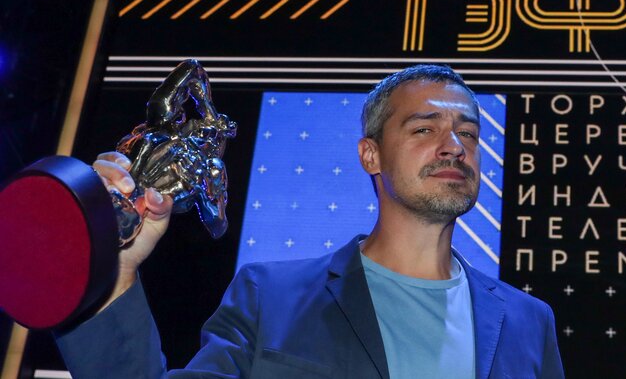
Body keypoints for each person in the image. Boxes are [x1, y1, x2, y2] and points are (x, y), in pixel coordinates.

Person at [55, 65, 565, 378]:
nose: (453, 146)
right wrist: (116, 271)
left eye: (468, 133)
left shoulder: (529, 321)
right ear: (370, 155)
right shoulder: (270, 296)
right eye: (424, 128)